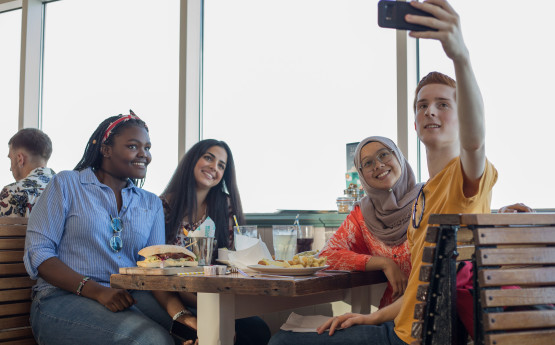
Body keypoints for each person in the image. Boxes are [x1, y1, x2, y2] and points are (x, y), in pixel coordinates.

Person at [269, 1, 499, 344]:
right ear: (415, 122)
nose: (430, 111)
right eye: (422, 105)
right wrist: (368, 316)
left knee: (281, 342)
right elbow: (421, 293)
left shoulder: (462, 179)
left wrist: (461, 57)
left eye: (443, 104)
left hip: (420, 338)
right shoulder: (423, 196)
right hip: (399, 326)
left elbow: (475, 143)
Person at [23, 112, 192, 345]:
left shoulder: (150, 202)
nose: (144, 154)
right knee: (152, 341)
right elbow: (39, 254)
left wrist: (181, 316)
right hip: (62, 297)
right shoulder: (66, 184)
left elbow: (154, 271)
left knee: (208, 330)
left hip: (129, 295)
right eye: (133, 146)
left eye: (147, 147)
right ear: (106, 149)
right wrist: (97, 291)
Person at [159, 139, 271, 345]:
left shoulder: (225, 205)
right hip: (172, 296)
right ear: (193, 160)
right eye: (208, 158)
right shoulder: (164, 206)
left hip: (213, 295)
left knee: (257, 330)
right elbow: (157, 267)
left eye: (221, 165)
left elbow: (229, 261)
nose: (214, 167)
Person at [320, 136, 422, 307]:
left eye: (384, 155)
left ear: (398, 156)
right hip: (389, 319)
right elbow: (326, 256)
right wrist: (384, 263)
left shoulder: (430, 199)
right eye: (367, 163)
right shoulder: (363, 215)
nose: (378, 165)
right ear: (361, 175)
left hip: (428, 318)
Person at [0, 128, 55, 217]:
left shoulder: (13, 192)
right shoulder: (67, 190)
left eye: (11, 158)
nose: (10, 169)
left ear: (20, 159)